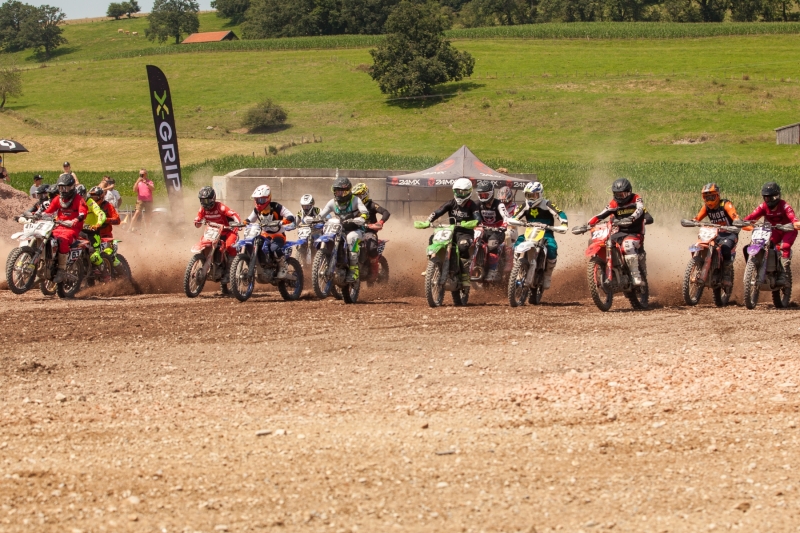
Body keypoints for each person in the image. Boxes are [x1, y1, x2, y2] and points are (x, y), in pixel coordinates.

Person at [587, 178, 647, 286]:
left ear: (629, 192)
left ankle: (635, 275)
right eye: (617, 194)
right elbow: (601, 215)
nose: (620, 197)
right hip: (620, 231)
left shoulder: (636, 198)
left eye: (623, 194)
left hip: (635, 232)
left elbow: (640, 210)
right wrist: (587, 225)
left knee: (627, 246)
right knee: (607, 243)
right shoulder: (614, 203)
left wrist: (631, 218)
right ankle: (611, 269)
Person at [511, 181, 569, 289]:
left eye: (534, 195)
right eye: (529, 195)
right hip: (529, 233)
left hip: (546, 234)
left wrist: (564, 224)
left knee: (552, 249)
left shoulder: (547, 204)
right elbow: (515, 216)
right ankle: (517, 270)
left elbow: (560, 213)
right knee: (517, 244)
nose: (532, 198)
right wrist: (513, 220)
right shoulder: (525, 205)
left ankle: (547, 275)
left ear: (540, 194)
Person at [425, 178, 480, 287]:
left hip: (465, 233)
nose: (460, 194)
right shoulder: (451, 203)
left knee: (463, 246)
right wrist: (428, 221)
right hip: (451, 230)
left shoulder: (472, 205)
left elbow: (478, 218)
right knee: (433, 238)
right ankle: (432, 265)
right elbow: (438, 211)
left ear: (469, 192)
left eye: (463, 192)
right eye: (458, 191)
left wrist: (473, 223)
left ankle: (465, 275)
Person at [743, 182, 800, 285]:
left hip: (788, 230)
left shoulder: (785, 206)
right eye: (766, 198)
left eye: (770, 198)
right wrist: (741, 222)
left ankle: (784, 274)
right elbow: (752, 217)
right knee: (764, 245)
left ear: (777, 196)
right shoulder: (763, 207)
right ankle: (765, 268)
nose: (768, 200)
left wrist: (796, 223)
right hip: (773, 231)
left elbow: (793, 217)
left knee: (784, 246)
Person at [317, 177, 369, 282]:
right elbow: (322, 214)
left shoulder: (355, 200)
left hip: (354, 229)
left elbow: (365, 212)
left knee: (351, 239)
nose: (339, 194)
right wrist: (315, 219)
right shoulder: (332, 202)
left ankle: (353, 271)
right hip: (338, 229)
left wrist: (361, 218)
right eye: (337, 191)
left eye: (342, 191)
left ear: (348, 191)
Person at [692, 183, 740, 286]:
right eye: (706, 197)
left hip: (730, 233)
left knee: (726, 248)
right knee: (703, 243)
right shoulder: (706, 207)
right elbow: (698, 217)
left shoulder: (726, 204)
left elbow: (734, 214)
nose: (709, 200)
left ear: (717, 195)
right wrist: (693, 221)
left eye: (711, 196)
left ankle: (727, 274)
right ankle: (701, 266)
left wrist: (736, 220)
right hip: (715, 234)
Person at [43, 174, 88, 283]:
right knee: (46, 237)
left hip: (72, 229)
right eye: (61, 187)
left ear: (72, 187)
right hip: (58, 226)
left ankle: (62, 269)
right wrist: (37, 215)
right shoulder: (58, 199)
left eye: (65, 187)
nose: (63, 190)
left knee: (62, 240)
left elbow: (83, 212)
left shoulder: (78, 199)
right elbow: (48, 211)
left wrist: (76, 219)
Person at [194, 187, 241, 283]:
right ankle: (208, 263)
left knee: (230, 246)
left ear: (213, 199)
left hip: (227, 232)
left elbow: (233, 214)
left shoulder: (220, 207)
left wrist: (238, 223)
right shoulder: (202, 209)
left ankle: (229, 272)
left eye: (207, 200)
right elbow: (198, 219)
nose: (205, 203)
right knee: (203, 243)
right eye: (202, 200)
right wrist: (197, 221)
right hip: (212, 232)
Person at [247, 185, 296, 277]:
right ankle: (262, 264)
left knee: (274, 249)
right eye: (257, 200)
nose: (259, 203)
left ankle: (282, 266)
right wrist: (243, 222)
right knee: (255, 242)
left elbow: (290, 216)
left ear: (268, 198)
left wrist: (284, 221)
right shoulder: (257, 210)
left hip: (278, 235)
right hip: (264, 235)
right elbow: (249, 219)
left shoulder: (277, 207)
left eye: (261, 200)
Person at [352, 183, 390, 282]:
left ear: (365, 195)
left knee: (371, 248)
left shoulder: (371, 204)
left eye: (359, 195)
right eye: (355, 196)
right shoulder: (352, 206)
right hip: (354, 231)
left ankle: (374, 271)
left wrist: (380, 222)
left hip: (369, 232)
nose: (357, 198)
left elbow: (386, 212)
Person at [474, 181, 510, 281]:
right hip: (482, 231)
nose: (483, 197)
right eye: (481, 195)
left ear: (491, 193)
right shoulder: (476, 204)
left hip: (497, 231)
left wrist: (504, 225)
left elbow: (506, 216)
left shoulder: (499, 204)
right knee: (471, 242)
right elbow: (469, 214)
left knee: (492, 244)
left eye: (485, 195)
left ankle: (492, 270)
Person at [86, 186, 121, 275]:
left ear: (101, 196)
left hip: (106, 236)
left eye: (95, 196)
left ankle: (124, 274)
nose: (93, 198)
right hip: (91, 235)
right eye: (91, 196)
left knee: (109, 255)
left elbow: (117, 220)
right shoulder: (89, 205)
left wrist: (105, 220)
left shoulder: (108, 205)